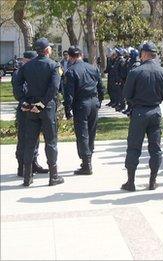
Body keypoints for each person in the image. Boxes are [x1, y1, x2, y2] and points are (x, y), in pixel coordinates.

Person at [12, 37, 64, 187]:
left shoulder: (27, 66)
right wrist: (42, 104)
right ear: (47, 50)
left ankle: (27, 177)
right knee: (51, 141)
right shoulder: (53, 65)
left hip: (31, 107)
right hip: (46, 107)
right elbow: (54, 88)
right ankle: (53, 176)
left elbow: (17, 83)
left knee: (30, 142)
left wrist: (23, 100)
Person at [121, 42, 163, 191]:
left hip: (139, 112)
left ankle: (131, 182)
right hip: (155, 111)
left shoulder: (135, 72)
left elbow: (127, 95)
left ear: (144, 54)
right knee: (155, 148)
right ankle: (152, 180)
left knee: (133, 148)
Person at [62, 46, 105, 175]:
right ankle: (88, 158)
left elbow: (69, 94)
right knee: (91, 132)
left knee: (82, 134)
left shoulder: (71, 71)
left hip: (81, 104)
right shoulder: (93, 68)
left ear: (70, 57)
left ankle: (86, 163)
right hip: (93, 102)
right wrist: (99, 102)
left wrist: (67, 109)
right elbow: (101, 88)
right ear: (81, 54)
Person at [12, 50, 49, 177]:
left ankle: (33, 163)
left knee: (35, 137)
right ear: (25, 60)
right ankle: (22, 166)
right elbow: (18, 92)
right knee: (23, 137)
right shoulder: (19, 73)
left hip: (35, 108)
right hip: (25, 109)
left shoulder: (32, 72)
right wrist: (25, 104)